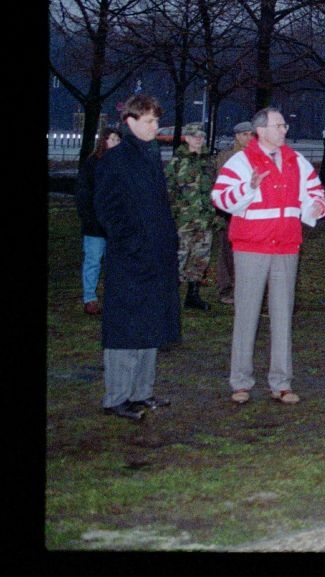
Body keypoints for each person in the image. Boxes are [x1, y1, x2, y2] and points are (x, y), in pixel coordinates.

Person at [212, 107, 325, 405]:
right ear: (261, 131)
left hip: (287, 246)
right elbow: (220, 198)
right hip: (251, 247)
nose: (284, 130)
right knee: (246, 315)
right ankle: (240, 382)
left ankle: (282, 383)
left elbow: (316, 193)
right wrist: (248, 187)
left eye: (284, 125)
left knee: (282, 316)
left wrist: (317, 206)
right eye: (279, 125)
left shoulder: (296, 161)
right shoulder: (240, 162)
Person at [93, 94, 182, 421]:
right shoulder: (115, 160)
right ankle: (116, 397)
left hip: (155, 259)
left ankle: (142, 392)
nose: (156, 127)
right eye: (149, 121)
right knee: (126, 330)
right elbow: (105, 208)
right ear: (130, 122)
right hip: (130, 259)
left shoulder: (150, 155)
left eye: (157, 121)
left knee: (150, 326)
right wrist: (130, 242)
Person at [167, 122, 220, 312]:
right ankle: (170, 297)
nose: (199, 139)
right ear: (187, 138)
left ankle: (193, 296)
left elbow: (216, 188)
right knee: (178, 258)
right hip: (183, 221)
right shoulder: (177, 161)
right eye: (195, 136)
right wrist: (171, 216)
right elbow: (169, 191)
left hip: (205, 220)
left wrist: (216, 215)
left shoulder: (209, 161)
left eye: (201, 136)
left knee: (200, 259)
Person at [77, 126, 121, 316]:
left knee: (115, 262)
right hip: (95, 225)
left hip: (116, 224)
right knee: (93, 261)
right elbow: (84, 195)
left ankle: (114, 298)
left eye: (118, 140)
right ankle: (90, 298)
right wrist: (89, 218)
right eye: (112, 139)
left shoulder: (124, 165)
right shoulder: (92, 164)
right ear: (103, 141)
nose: (115, 143)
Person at [212, 122, 255, 304]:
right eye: (244, 134)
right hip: (229, 211)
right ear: (237, 136)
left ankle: (245, 288)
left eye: (251, 134)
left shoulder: (258, 155)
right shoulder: (227, 156)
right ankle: (226, 289)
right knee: (227, 253)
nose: (248, 138)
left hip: (251, 212)